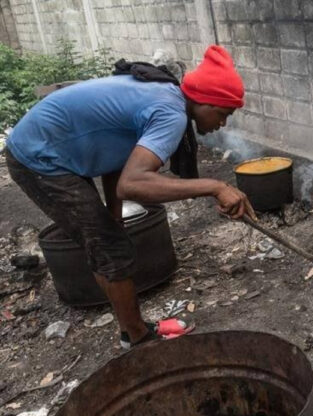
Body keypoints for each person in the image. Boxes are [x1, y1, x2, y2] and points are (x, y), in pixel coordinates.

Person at [3, 45, 253, 348]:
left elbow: (118, 161)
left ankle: (131, 330)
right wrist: (214, 186)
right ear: (203, 100)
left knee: (108, 238)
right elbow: (132, 183)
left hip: (53, 146)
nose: (222, 123)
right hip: (38, 158)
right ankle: (138, 339)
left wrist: (114, 216)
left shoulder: (165, 95)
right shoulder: (171, 113)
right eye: (223, 113)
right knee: (110, 248)